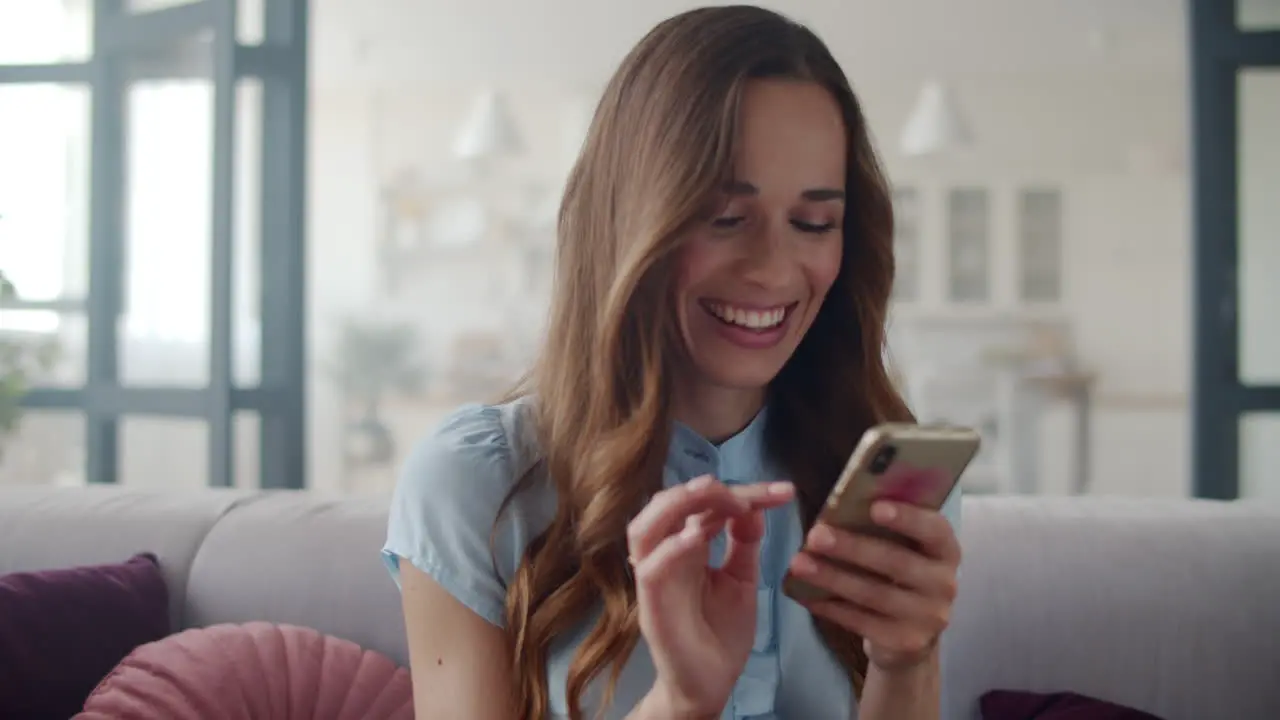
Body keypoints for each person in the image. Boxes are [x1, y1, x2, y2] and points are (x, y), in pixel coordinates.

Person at [382, 5, 962, 719]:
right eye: (724, 216)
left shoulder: (885, 491)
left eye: (814, 224)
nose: (774, 270)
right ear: (630, 218)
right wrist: (682, 701)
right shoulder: (476, 482)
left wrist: (908, 662)